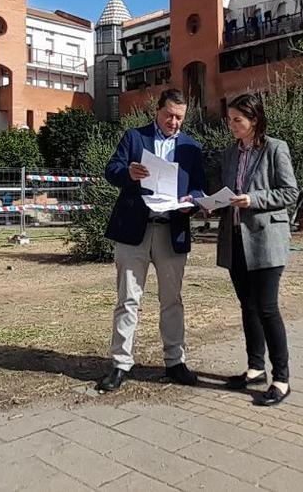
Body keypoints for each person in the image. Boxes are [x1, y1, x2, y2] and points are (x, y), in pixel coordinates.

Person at [96, 88, 204, 392]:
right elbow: (111, 170)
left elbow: (198, 188)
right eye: (169, 115)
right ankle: (120, 364)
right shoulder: (135, 138)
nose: (174, 122)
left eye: (180, 118)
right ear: (157, 111)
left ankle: (175, 362)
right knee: (128, 299)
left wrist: (191, 201)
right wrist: (128, 172)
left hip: (172, 230)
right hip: (134, 231)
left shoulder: (192, 148)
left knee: (172, 300)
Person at [215, 93, 299, 406]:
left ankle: (282, 378)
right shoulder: (229, 153)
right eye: (230, 119)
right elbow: (230, 191)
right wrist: (215, 203)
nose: (232, 125)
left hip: (265, 240)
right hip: (235, 238)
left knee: (267, 308)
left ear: (255, 120)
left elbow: (290, 191)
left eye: (238, 120)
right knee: (247, 306)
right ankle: (255, 368)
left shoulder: (275, 148)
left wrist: (255, 199)